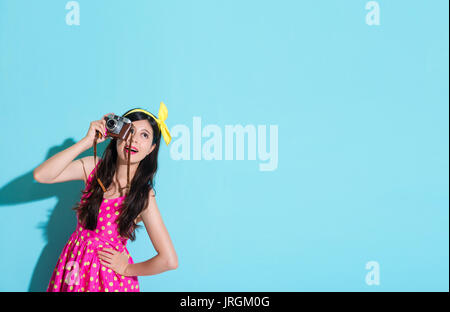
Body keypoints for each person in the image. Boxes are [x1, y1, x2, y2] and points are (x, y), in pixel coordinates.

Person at [33, 103, 178, 292]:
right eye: (130, 130)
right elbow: (42, 175)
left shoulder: (143, 195)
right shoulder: (93, 168)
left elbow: (169, 260)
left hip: (107, 281)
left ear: (151, 148)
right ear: (117, 134)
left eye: (144, 135)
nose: (134, 140)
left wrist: (127, 268)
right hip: (72, 269)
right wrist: (87, 141)